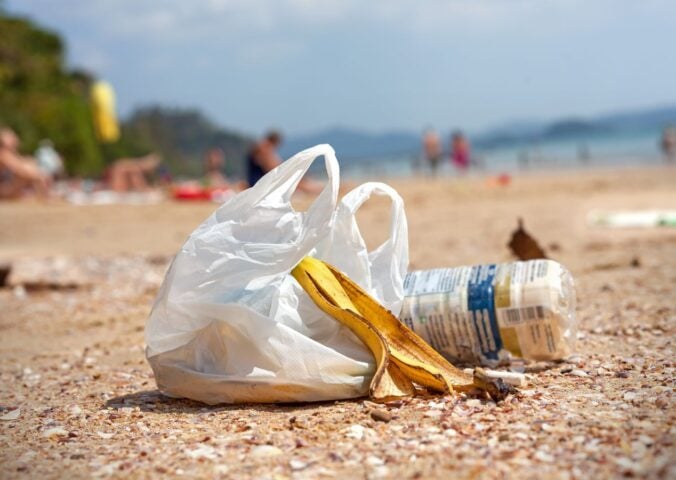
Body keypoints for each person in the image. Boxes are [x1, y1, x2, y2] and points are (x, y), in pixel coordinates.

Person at [246, 130, 322, 193]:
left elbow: (276, 167)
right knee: (300, 184)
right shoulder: (264, 149)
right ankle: (319, 190)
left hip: (258, 182)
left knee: (300, 182)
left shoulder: (260, 148)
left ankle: (318, 189)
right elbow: (275, 169)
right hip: (261, 185)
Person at [0, 127, 50, 198]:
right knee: (28, 170)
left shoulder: (13, 156)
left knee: (29, 167)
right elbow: (21, 171)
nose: (15, 139)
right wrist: (39, 176)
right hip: (5, 191)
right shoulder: (4, 155)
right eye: (11, 137)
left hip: (10, 190)